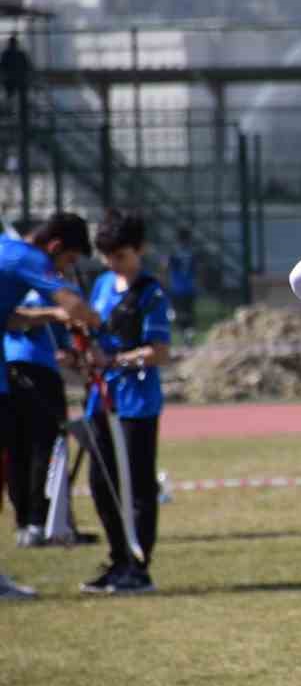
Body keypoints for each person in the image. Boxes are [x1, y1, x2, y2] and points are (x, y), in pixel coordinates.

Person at [0, 212, 100, 599]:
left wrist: (49, 314)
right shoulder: (30, 258)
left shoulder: (6, 252)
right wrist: (98, 324)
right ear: (56, 247)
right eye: (69, 262)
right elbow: (74, 305)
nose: (65, 271)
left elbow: (10, 319)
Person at [79, 210, 172, 595]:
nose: (112, 263)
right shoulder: (101, 285)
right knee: (101, 482)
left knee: (137, 483)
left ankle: (138, 566)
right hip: (101, 399)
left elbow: (159, 351)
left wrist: (117, 360)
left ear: (138, 250)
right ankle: (117, 557)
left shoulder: (151, 292)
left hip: (136, 402)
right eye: (107, 256)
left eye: (120, 255)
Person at [7, 284, 80, 547]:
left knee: (26, 449)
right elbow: (20, 321)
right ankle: (36, 522)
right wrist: (53, 314)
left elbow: (66, 342)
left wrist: (69, 352)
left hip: (23, 370)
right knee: (39, 447)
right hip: (31, 372)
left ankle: (33, 521)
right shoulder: (33, 287)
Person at [165, 228, 198, 344]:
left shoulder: (174, 253)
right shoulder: (192, 253)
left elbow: (166, 266)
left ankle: (185, 335)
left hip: (178, 288)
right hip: (190, 287)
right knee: (188, 313)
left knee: (178, 314)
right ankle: (188, 336)